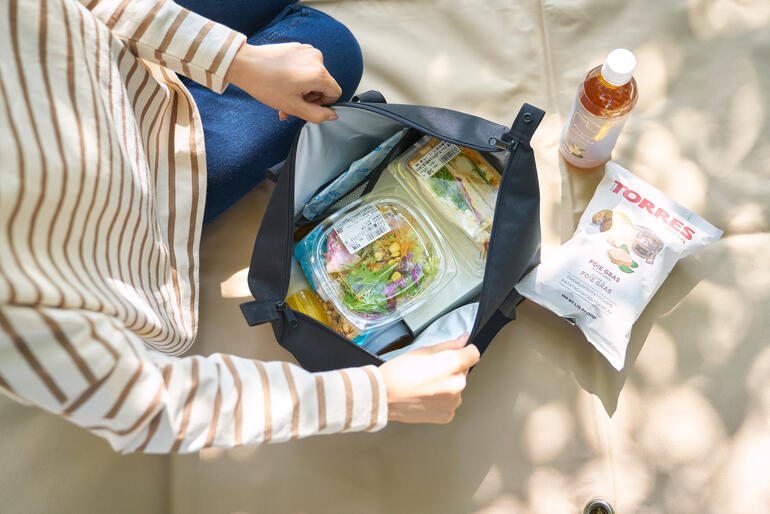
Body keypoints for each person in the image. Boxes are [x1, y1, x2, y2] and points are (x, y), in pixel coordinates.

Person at [0, 0, 479, 453]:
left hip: (106, 68)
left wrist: (239, 60)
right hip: (155, 188)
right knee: (331, 47)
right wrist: (381, 395)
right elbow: (139, 404)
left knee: (320, 53)